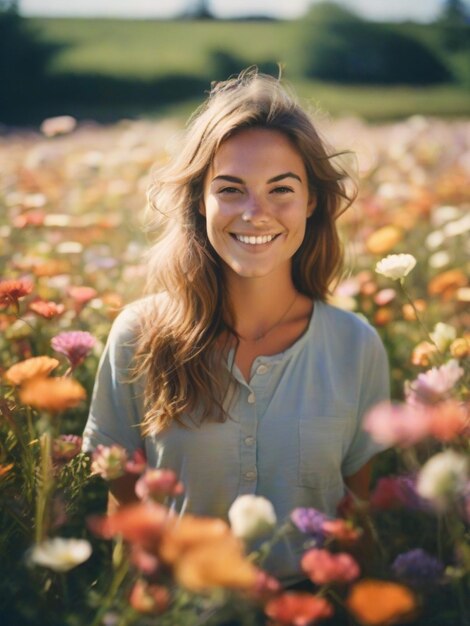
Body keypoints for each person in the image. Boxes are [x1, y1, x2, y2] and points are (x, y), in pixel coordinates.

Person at [82, 68, 390, 587]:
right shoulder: (139, 334)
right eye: (230, 189)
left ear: (312, 201)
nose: (255, 213)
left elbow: (354, 517)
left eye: (281, 189)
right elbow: (126, 516)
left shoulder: (355, 345)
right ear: (198, 200)